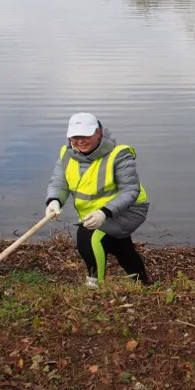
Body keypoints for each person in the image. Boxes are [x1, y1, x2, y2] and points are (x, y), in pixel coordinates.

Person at [45, 113, 151, 286]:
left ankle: (95, 285)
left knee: (89, 236)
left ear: (99, 133)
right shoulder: (66, 153)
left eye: (85, 135)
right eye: (75, 137)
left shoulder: (119, 155)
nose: (80, 141)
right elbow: (59, 182)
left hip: (129, 209)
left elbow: (130, 191)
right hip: (96, 212)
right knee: (120, 245)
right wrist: (54, 200)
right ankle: (141, 281)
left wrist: (104, 213)